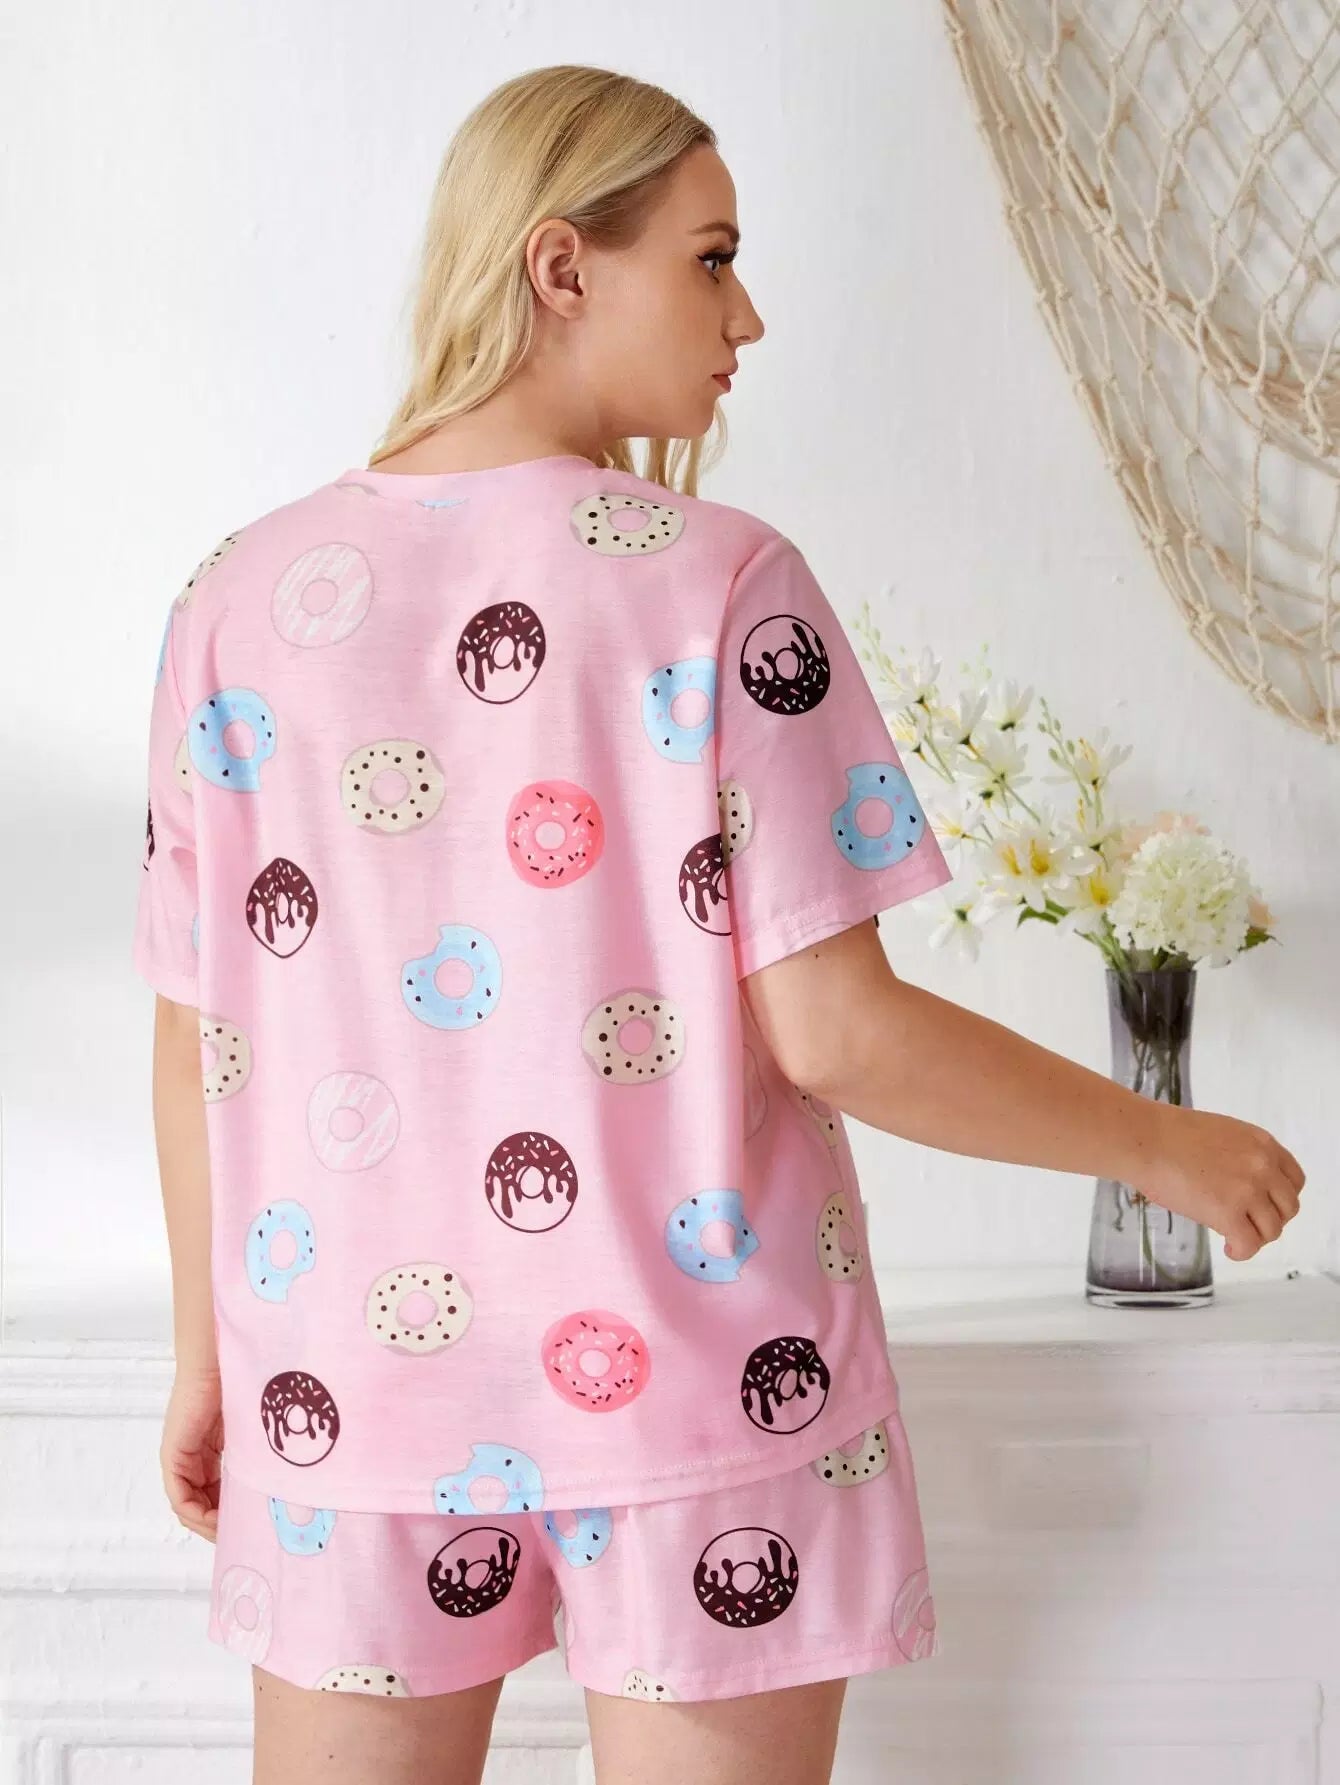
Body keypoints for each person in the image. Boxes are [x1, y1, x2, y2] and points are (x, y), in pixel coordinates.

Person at [134, 63, 1305, 1785]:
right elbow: (837, 1030)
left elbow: (198, 1029)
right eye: (711, 257)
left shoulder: (235, 601)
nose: (745, 316)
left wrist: (207, 1357)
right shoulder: (721, 584)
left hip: (347, 1397)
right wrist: (1167, 1146)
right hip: (703, 1394)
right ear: (560, 265)